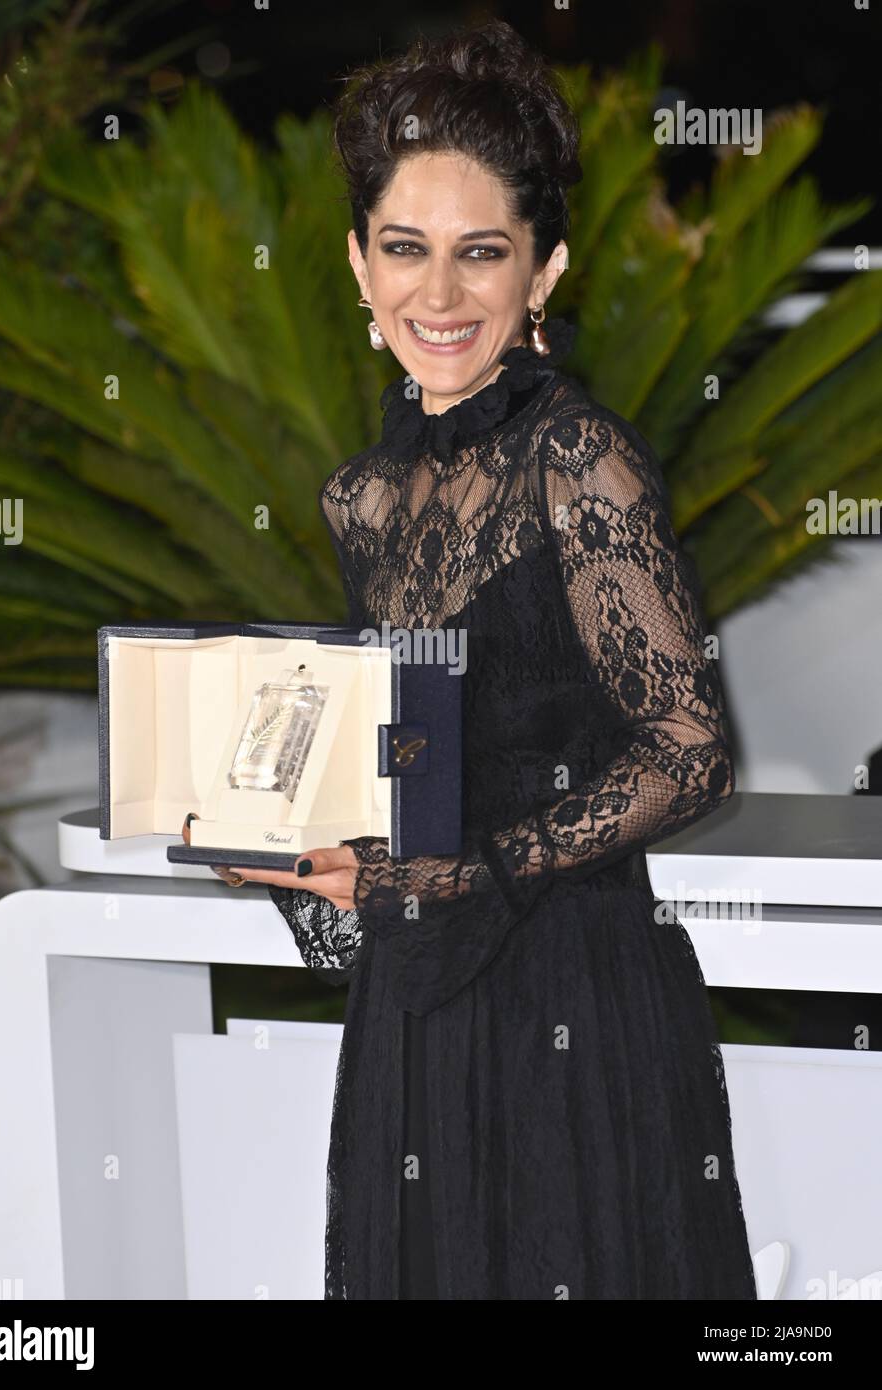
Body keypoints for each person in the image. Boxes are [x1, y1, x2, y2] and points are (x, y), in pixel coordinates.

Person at [204, 18, 759, 1300]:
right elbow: (413, 771)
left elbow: (690, 749)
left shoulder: (579, 458)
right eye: (405, 249)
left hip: (576, 999)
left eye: (481, 254)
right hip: (418, 1026)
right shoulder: (364, 499)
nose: (438, 296)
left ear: (544, 271)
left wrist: (481, 867)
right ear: (357, 264)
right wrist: (322, 859)